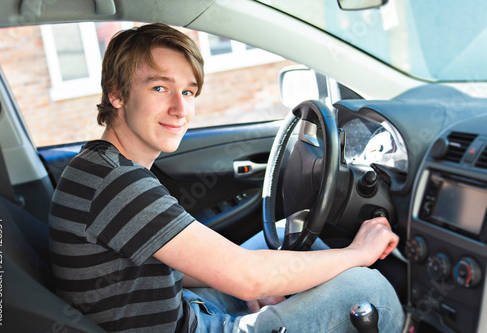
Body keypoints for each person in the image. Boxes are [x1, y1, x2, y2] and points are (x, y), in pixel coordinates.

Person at [49, 23, 404, 333]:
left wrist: (243, 284)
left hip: (183, 308)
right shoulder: (117, 184)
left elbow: (164, 266)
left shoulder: (101, 166)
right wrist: (360, 252)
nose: (180, 108)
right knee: (369, 292)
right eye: (160, 88)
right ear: (116, 93)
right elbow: (249, 276)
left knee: (285, 237)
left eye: (187, 91)